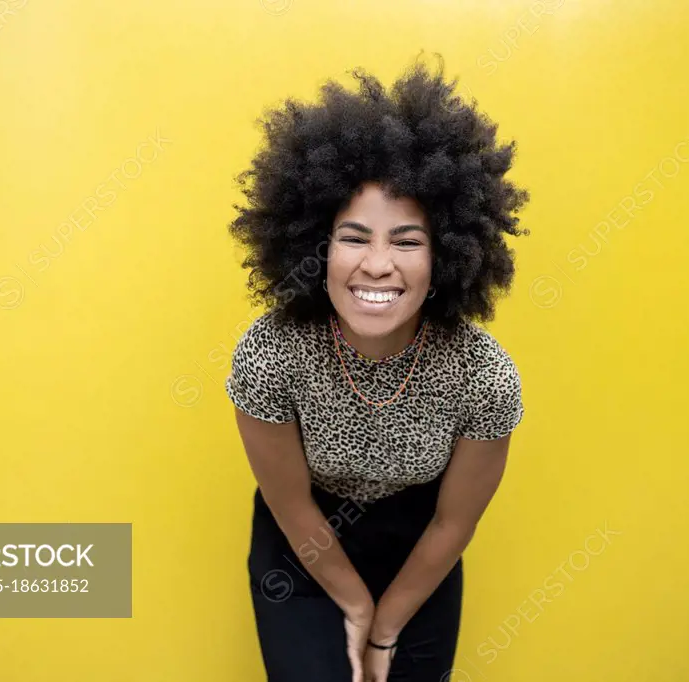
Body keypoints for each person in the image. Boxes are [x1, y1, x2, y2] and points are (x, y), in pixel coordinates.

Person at [225, 55, 529, 682]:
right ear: (318, 245)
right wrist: (354, 604)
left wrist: (385, 628)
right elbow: (289, 504)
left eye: (408, 241)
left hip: (420, 555)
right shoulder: (269, 355)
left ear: (446, 257)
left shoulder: (484, 377)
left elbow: (453, 522)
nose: (378, 265)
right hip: (303, 546)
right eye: (355, 237)